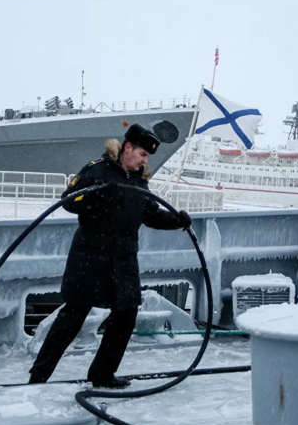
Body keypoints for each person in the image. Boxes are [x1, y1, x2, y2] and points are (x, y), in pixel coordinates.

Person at [28, 123, 191, 389]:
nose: (144, 161)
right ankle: (38, 377)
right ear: (127, 148)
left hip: (124, 261)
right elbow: (70, 201)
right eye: (142, 154)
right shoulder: (97, 169)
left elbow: (149, 215)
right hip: (90, 258)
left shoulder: (140, 182)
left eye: (146, 158)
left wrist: (177, 220)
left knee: (125, 317)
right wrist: (100, 195)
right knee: (71, 319)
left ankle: (102, 375)